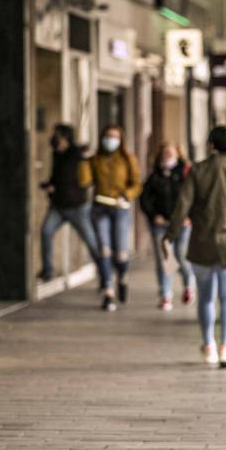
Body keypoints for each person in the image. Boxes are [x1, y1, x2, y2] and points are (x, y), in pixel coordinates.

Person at [164, 126, 226, 369]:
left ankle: (208, 346)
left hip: (202, 242)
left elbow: (182, 205)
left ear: (211, 145)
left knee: (206, 297)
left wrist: (171, 234)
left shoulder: (198, 170)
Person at [79, 124, 142, 312]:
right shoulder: (95, 159)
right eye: (107, 136)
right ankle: (108, 291)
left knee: (121, 254)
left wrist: (126, 195)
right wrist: (83, 161)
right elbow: (84, 182)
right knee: (104, 251)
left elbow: (136, 183)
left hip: (120, 208)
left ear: (121, 140)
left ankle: (122, 278)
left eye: (114, 137)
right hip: (100, 209)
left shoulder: (127, 159)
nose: (110, 140)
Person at [38, 124, 100, 282]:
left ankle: (104, 271)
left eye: (57, 136)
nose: (54, 139)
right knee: (46, 232)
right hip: (58, 206)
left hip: (77, 206)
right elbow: (56, 176)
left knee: (91, 240)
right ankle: (48, 270)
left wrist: (87, 153)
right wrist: (49, 185)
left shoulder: (76, 153)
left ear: (66, 138)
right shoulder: (56, 154)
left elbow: (88, 156)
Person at [140, 142, 194, 311]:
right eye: (165, 153)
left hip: (181, 224)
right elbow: (145, 199)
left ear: (178, 154)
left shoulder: (186, 173)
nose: (167, 156)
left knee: (181, 256)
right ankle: (166, 295)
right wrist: (153, 215)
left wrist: (189, 216)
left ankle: (188, 285)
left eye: (171, 153)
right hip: (161, 225)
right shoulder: (155, 175)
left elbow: (194, 196)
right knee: (166, 259)